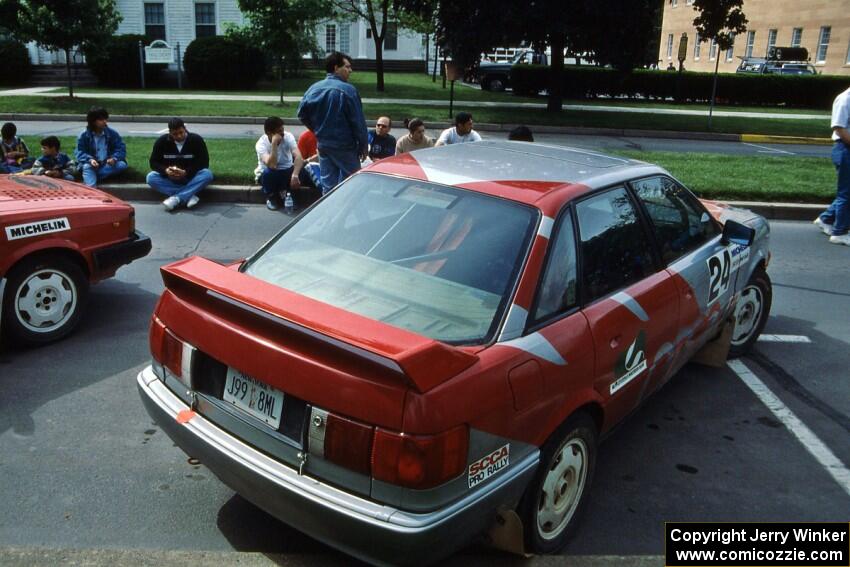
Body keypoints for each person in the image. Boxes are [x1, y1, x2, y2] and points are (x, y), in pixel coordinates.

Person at [297, 51, 368, 193]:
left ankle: (329, 213)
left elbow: (302, 114)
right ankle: (348, 214)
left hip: (324, 145)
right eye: (347, 67)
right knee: (352, 185)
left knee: (328, 186)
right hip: (345, 146)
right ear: (336, 68)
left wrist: (317, 130)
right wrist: (363, 146)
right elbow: (358, 123)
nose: (350, 70)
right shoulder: (349, 90)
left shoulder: (313, 88)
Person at [146, 117, 213, 211]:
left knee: (207, 174)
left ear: (185, 129)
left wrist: (186, 172)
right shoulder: (161, 142)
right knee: (151, 177)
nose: (179, 136)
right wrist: (166, 171)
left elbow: (204, 162)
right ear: (170, 132)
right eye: (175, 134)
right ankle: (189, 195)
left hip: (191, 177)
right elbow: (153, 162)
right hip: (170, 178)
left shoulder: (196, 140)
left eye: (181, 132)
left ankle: (176, 198)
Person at [814, 85, 850, 246]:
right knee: (847, 193)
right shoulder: (845, 99)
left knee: (847, 191)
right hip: (845, 148)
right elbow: (839, 128)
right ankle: (839, 232)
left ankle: (826, 219)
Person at [256, 116, 304, 212]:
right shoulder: (261, 144)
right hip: (270, 173)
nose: (282, 134)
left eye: (282, 130)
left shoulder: (288, 136)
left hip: (287, 170)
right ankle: (271, 197)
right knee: (269, 173)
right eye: (279, 131)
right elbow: (272, 165)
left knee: (301, 169)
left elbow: (299, 157)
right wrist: (274, 144)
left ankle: (288, 194)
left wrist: (295, 175)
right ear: (268, 133)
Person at [75, 107, 128, 187]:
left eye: (105, 119)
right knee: (87, 167)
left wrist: (114, 158)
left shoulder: (112, 133)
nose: (105, 122)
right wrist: (90, 159)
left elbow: (121, 149)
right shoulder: (84, 135)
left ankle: (93, 178)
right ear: (93, 121)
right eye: (101, 119)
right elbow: (79, 152)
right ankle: (92, 188)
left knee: (121, 165)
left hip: (107, 164)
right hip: (92, 164)